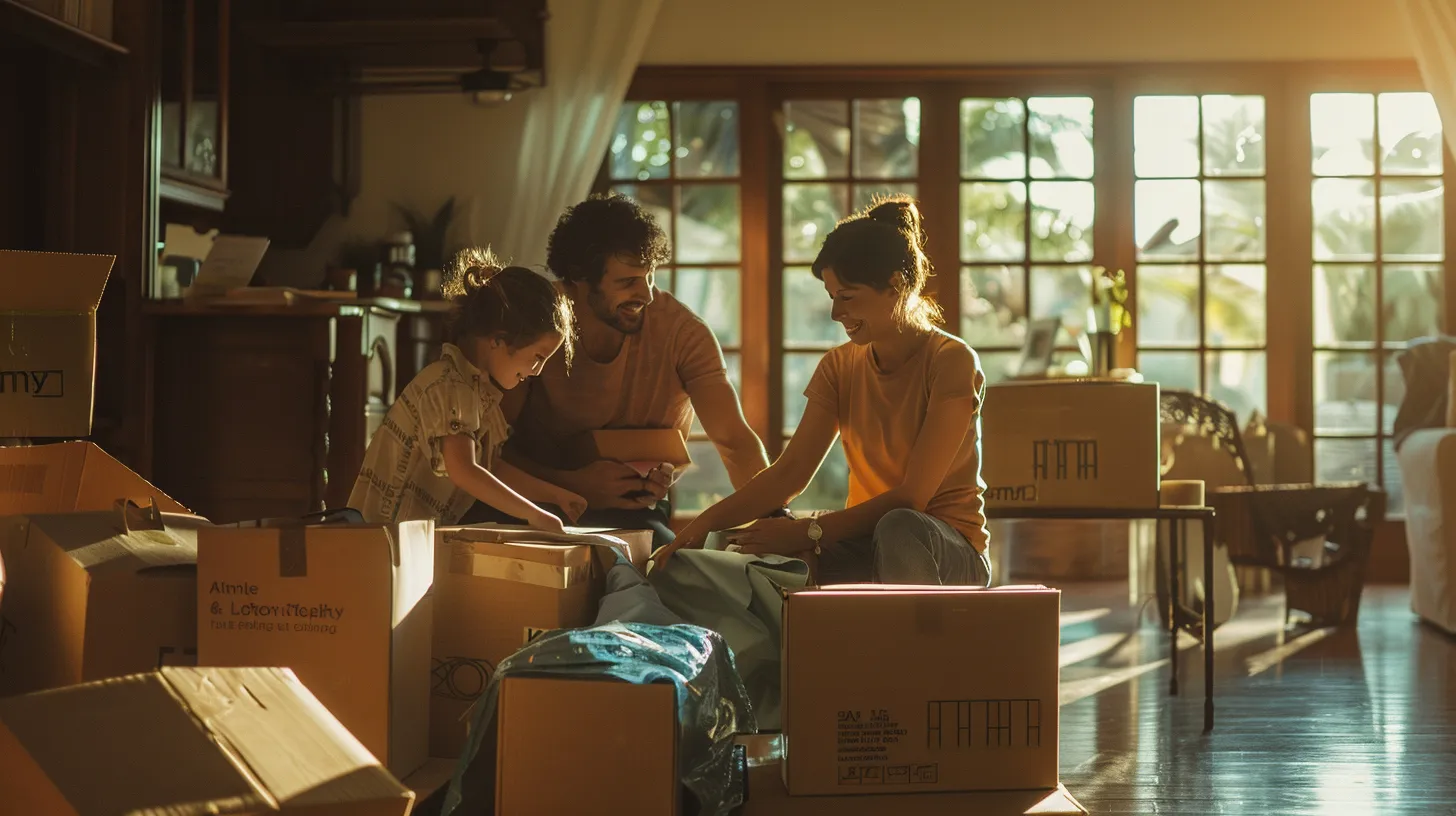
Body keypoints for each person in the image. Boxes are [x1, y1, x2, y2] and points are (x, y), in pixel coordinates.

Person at [655, 196, 992, 586]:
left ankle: (915, 645)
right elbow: (789, 474)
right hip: (868, 542)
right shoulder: (839, 367)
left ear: (896, 285)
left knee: (899, 526)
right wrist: (702, 526)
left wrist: (809, 531)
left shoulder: (952, 361)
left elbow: (912, 497)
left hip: (944, 549)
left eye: (847, 297)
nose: (836, 314)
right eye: (832, 298)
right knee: (766, 536)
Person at [484, 194, 771, 548]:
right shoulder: (534, 324)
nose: (647, 294)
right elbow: (489, 449)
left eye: (650, 277)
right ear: (579, 278)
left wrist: (777, 520)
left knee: (662, 573)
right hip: (531, 501)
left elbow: (736, 442)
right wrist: (573, 484)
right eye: (628, 282)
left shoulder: (683, 333)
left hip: (637, 513)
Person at [348, 247, 585, 532]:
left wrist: (554, 496)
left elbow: (489, 469)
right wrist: (536, 516)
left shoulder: (480, 396)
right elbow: (464, 471)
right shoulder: (448, 386)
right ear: (499, 340)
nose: (539, 371)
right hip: (379, 543)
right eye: (538, 357)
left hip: (411, 544)